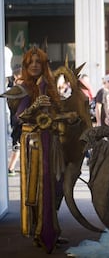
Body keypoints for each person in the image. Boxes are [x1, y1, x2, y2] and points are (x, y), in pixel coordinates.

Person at [3, 47, 66, 253]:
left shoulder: (49, 86)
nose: (35, 65)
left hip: (53, 143)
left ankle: (52, 228)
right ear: (26, 66)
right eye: (31, 62)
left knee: (56, 187)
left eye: (38, 62)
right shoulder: (23, 89)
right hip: (34, 144)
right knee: (37, 190)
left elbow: (56, 112)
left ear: (44, 64)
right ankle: (40, 232)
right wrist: (35, 104)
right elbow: (19, 119)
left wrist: (67, 116)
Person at [6, 67, 22, 176]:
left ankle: (11, 168)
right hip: (18, 123)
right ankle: (10, 168)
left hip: (17, 122)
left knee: (17, 146)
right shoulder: (17, 90)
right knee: (17, 146)